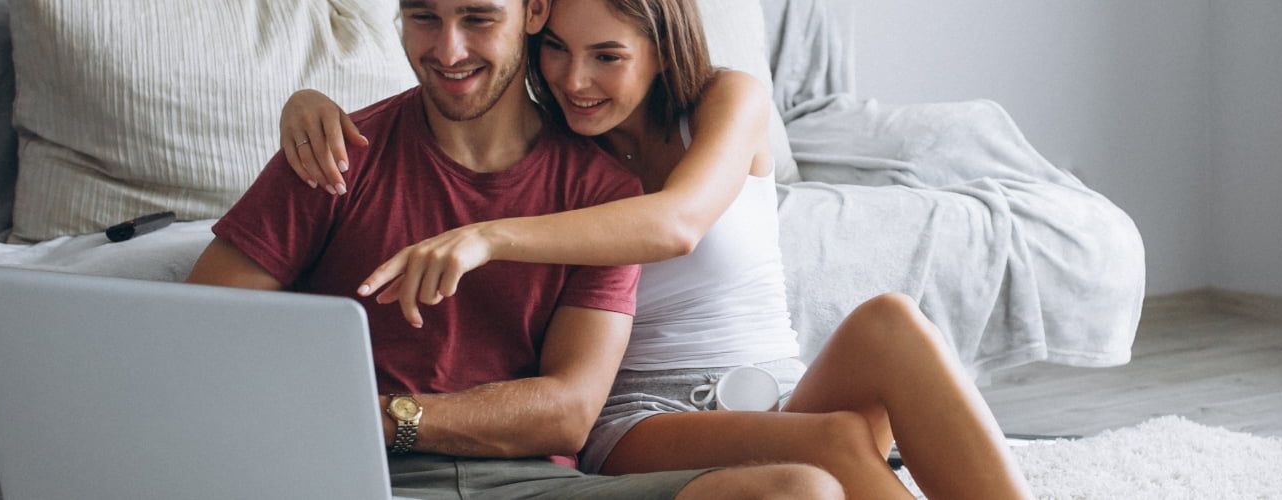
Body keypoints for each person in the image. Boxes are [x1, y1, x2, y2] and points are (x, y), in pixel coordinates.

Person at [277, 0, 1033, 498]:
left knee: (893, 322)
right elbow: (458, 95)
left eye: (607, 56)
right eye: (557, 51)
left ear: (662, 50)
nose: (576, 80)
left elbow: (676, 225)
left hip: (776, 388)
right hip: (638, 416)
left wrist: (488, 239)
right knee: (834, 443)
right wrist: (305, 102)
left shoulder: (727, 100)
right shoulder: (560, 147)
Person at [185, 0, 843, 498]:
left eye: (478, 18)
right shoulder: (332, 154)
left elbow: (569, 413)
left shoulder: (603, 193)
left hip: (531, 482)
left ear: (532, 12)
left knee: (801, 490)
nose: (448, 50)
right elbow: (193, 342)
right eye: (423, 17)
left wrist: (388, 415)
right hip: (354, 474)